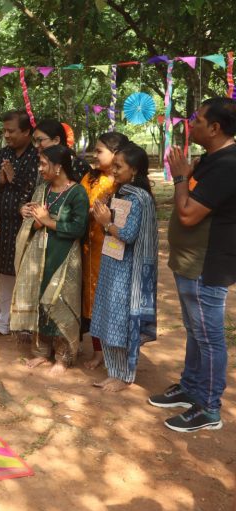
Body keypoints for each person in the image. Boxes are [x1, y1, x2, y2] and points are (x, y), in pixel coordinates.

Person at [149, 97, 236, 432]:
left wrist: (182, 176)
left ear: (215, 128)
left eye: (198, 119)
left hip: (207, 264)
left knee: (209, 336)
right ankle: (191, 387)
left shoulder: (228, 165)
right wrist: (186, 175)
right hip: (190, 261)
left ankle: (209, 407)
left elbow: (187, 214)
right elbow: (185, 202)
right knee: (195, 331)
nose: (192, 123)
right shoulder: (211, 160)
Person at [12, 145, 89, 375]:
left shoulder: (77, 193)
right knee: (40, 299)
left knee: (59, 301)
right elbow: (32, 225)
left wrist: (47, 221)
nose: (40, 168)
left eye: (44, 164)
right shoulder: (42, 190)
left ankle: (63, 356)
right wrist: (33, 219)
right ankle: (42, 352)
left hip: (64, 256)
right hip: (39, 255)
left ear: (58, 167)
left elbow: (78, 228)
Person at [90, 143, 157, 391]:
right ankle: (113, 370)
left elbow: (127, 235)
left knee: (120, 322)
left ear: (135, 170)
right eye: (114, 165)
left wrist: (107, 223)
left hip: (126, 270)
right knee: (108, 318)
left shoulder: (139, 198)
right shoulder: (120, 194)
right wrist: (103, 216)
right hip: (111, 263)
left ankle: (124, 375)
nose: (114, 171)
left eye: (119, 166)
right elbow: (110, 229)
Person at [0, 110, 39, 338]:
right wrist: (1, 179)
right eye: (4, 130)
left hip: (26, 226)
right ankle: (3, 323)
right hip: (3, 227)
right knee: (5, 275)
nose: (6, 135)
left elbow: (35, 190)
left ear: (27, 131)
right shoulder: (2, 154)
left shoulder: (37, 157)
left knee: (26, 274)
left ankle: (25, 325)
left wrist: (14, 179)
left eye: (11, 131)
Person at [81, 132, 129, 370]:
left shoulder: (126, 184)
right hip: (91, 250)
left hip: (116, 249)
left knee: (114, 300)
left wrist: (105, 217)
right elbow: (79, 203)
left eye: (99, 151)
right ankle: (99, 351)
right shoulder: (90, 178)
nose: (94, 155)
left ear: (116, 154)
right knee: (93, 301)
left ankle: (117, 354)